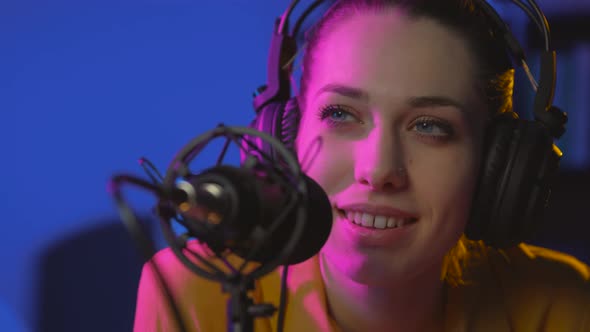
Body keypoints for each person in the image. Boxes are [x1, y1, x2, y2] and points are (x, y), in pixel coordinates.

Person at [133, 0, 590, 331]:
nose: (379, 170)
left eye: (429, 126)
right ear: (283, 139)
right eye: (340, 114)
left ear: (496, 164)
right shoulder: (191, 289)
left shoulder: (560, 304)